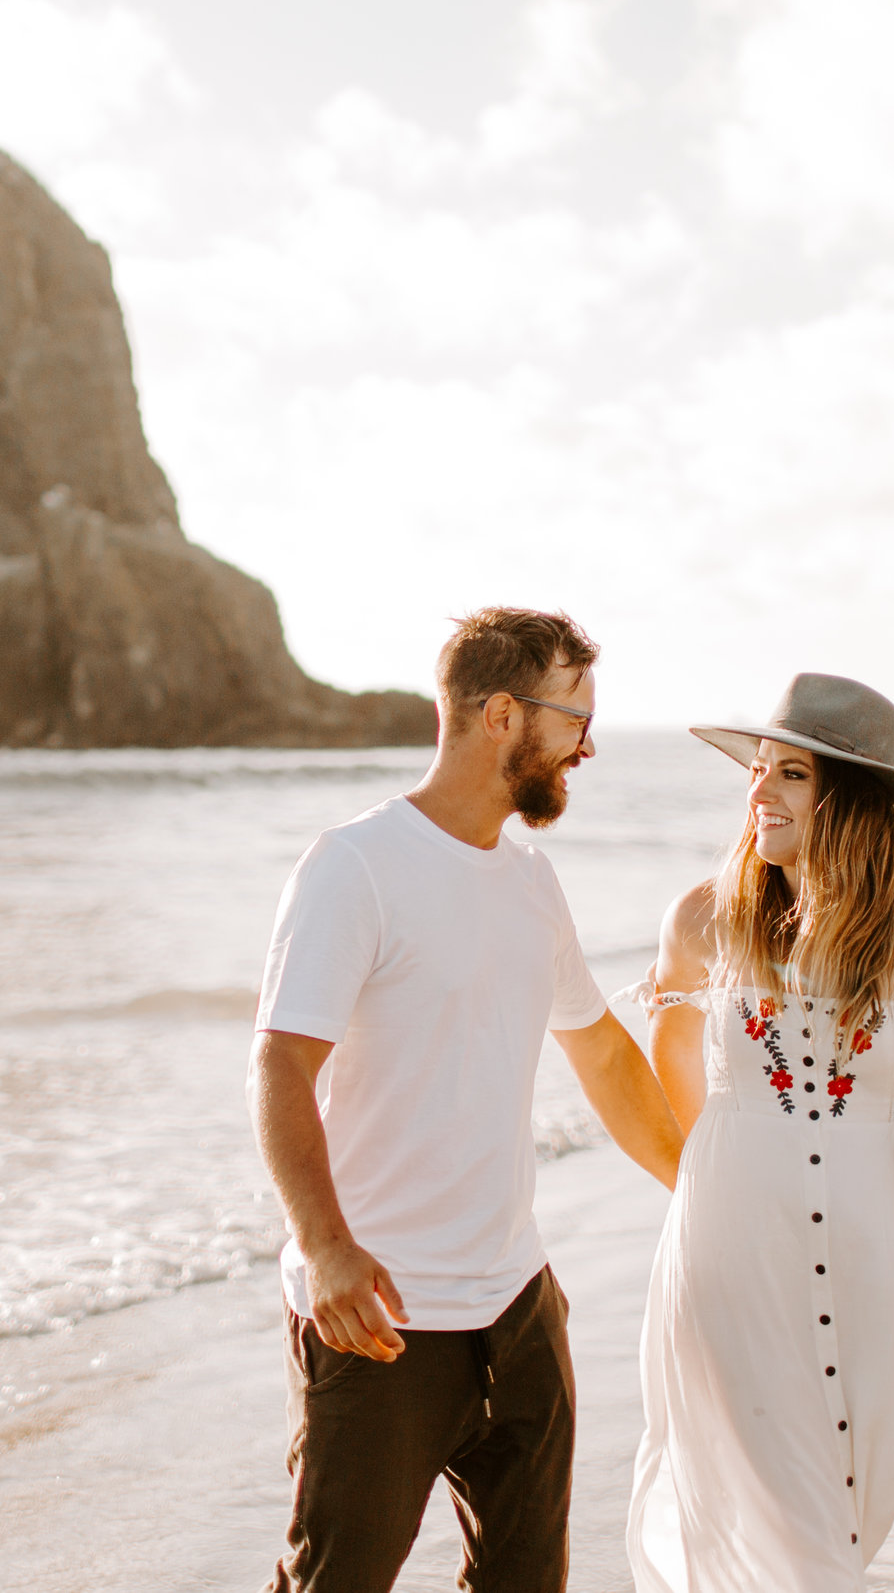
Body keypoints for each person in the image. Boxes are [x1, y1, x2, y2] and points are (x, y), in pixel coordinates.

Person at [251, 606, 686, 1593]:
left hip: (517, 1307)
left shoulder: (530, 880)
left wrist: (698, 1191)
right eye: (572, 713)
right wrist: (324, 1247)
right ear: (499, 714)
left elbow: (606, 1057)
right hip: (379, 1316)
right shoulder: (353, 864)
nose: (587, 742)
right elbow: (278, 1065)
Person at [624, 673, 894, 1593]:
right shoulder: (700, 920)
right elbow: (673, 1090)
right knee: (764, 1527)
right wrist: (730, 1194)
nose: (758, 791)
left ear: (849, 801)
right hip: (727, 1260)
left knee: (838, 1517)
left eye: (789, 774)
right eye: (757, 770)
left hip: (870, 1264)